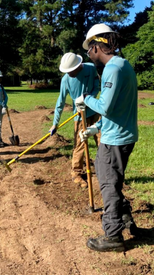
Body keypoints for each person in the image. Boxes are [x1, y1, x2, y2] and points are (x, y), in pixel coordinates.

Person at [75, 24, 139, 252]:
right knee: (109, 178)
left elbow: (106, 106)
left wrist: (85, 99)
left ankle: (113, 235)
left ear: (95, 46)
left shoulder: (112, 68)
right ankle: (126, 219)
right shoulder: (124, 65)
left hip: (115, 140)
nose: (88, 54)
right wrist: (96, 128)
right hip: (119, 134)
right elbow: (116, 109)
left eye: (88, 49)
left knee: (108, 185)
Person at [49, 52, 101, 188]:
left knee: (102, 141)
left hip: (95, 111)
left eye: (70, 71)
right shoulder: (65, 80)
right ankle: (76, 173)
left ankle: (104, 170)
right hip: (78, 116)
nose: (69, 74)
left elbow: (97, 84)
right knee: (79, 144)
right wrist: (55, 123)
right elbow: (60, 102)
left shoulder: (91, 68)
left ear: (78, 66)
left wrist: (89, 97)